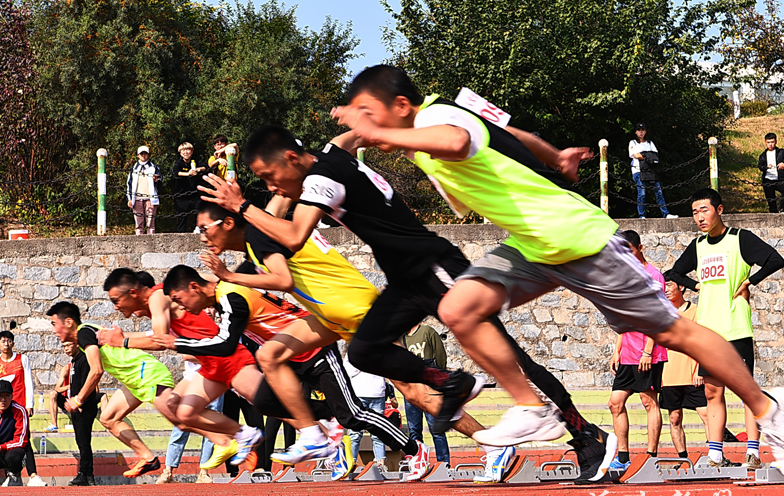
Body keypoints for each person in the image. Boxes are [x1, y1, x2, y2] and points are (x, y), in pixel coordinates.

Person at [331, 64, 784, 469]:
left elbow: (458, 140)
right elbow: (505, 134)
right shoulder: (443, 114)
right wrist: (554, 156)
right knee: (459, 308)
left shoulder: (433, 122)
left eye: (370, 114)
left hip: (578, 239)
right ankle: (532, 408)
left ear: (401, 106)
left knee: (674, 332)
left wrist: (380, 135)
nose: (366, 125)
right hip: (535, 244)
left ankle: (769, 413)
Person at [198, 126, 616, 484]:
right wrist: (378, 129)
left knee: (511, 358)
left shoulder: (319, 182)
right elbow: (353, 135)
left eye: (269, 176)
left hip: (432, 265)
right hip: (403, 280)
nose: (270, 185)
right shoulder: (330, 152)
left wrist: (241, 206)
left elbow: (291, 238)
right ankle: (451, 382)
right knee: (365, 352)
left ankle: (587, 437)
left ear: (291, 158)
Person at [157, 264, 425, 481]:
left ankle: (414, 450)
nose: (182, 308)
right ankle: (324, 427)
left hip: (313, 351)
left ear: (194, 287)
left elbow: (226, 345)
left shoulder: (230, 296)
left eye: (180, 300)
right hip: (287, 359)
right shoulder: (224, 294)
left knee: (352, 414)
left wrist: (176, 343)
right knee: (265, 401)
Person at [99, 267, 263, 473]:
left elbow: (159, 341)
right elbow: (153, 334)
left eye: (116, 300)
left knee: (276, 406)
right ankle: (235, 437)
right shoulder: (157, 304)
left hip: (227, 359)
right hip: (211, 363)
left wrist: (123, 342)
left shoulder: (157, 297)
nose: (115, 307)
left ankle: (311, 428)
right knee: (181, 410)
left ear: (133, 293)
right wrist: (120, 339)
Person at [666, 188, 784, 468]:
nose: (699, 217)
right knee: (711, 393)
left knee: (746, 392)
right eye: (695, 212)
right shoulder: (698, 245)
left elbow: (775, 259)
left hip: (736, 327)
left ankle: (753, 452)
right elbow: (673, 272)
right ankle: (716, 454)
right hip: (708, 331)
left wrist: (749, 282)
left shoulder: (739, 238)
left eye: (704, 210)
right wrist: (697, 285)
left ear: (719, 210)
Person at [46, 301, 177, 478]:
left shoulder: (83, 333)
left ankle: (225, 437)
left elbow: (96, 370)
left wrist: (78, 399)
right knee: (108, 418)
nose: (53, 331)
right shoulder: (89, 331)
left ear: (68, 322)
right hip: (134, 381)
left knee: (184, 419)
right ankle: (148, 458)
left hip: (147, 374)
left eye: (55, 324)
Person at [607, 231, 667, 471]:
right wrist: (617, 351)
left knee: (648, 401)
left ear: (640, 248)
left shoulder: (654, 276)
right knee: (615, 403)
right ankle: (623, 457)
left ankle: (651, 458)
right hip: (628, 353)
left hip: (648, 351)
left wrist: (648, 350)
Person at [0, 330, 47, 486]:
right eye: (3, 341)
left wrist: (29, 404)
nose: (6, 344)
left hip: (18, 407)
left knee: (24, 441)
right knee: (4, 440)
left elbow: (28, 382)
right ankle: (12, 475)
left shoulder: (22, 359)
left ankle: (33, 475)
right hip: (0, 408)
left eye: (9, 341)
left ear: (13, 343)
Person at [660, 270, 708, 459]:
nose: (666, 289)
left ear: (681, 286)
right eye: (663, 285)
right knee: (674, 418)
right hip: (668, 374)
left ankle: (715, 456)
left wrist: (699, 369)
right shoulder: (661, 312)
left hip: (692, 374)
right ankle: (683, 458)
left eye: (670, 285)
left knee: (706, 415)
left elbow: (702, 342)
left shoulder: (696, 311)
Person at [50, 341, 102, 486]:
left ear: (77, 344)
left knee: (83, 441)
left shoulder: (84, 360)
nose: (66, 349)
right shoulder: (74, 362)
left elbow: (87, 383)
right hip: (76, 405)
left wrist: (80, 402)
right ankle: (88, 474)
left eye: (68, 345)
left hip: (84, 406)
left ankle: (84, 473)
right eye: (64, 346)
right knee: (81, 440)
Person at [400, 323, 451, 466]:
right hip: (411, 387)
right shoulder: (401, 338)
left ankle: (443, 463)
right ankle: (418, 462)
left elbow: (441, 356)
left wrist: (438, 380)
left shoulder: (427, 332)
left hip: (429, 385)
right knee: (414, 430)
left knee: (436, 428)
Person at [343, 357, 390, 470]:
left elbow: (386, 368)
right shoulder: (353, 350)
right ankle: (351, 463)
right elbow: (347, 371)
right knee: (355, 432)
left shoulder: (380, 350)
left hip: (377, 393)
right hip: (359, 393)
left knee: (378, 431)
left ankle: (381, 462)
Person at [0, 380, 29, 486]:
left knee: (15, 455)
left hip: (10, 450)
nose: (3, 400)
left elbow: (20, 441)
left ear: (12, 396)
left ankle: (14, 475)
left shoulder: (19, 411)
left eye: (7, 395)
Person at [629, 123, 677, 219]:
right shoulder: (633, 143)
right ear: (636, 132)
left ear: (645, 131)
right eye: (639, 130)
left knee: (658, 192)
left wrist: (644, 156)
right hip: (638, 170)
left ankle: (665, 213)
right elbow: (636, 155)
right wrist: (648, 156)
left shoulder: (650, 143)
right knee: (642, 193)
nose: (641, 132)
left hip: (651, 171)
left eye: (642, 130)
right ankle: (641, 215)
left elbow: (655, 156)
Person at [172, 142, 207, 232]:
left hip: (194, 193)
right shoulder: (178, 162)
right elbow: (175, 173)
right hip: (181, 194)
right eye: (183, 150)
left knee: (200, 209)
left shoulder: (195, 160)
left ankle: (199, 228)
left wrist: (198, 169)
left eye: (188, 150)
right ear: (180, 153)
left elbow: (205, 167)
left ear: (191, 151)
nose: (186, 152)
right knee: (181, 217)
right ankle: (181, 235)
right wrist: (187, 174)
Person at [126, 145, 161, 234]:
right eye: (141, 154)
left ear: (148, 155)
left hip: (150, 198)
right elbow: (129, 184)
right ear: (138, 155)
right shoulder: (134, 168)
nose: (143, 156)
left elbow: (160, 183)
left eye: (145, 154)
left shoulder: (154, 167)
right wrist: (129, 198)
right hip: (137, 198)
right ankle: (139, 242)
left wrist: (157, 181)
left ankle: (151, 242)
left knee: (150, 223)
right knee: (138, 223)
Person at [757, 132, 784, 214]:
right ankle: (773, 215)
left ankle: (782, 209)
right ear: (765, 143)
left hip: (780, 179)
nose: (770, 144)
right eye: (768, 142)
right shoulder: (763, 155)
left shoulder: (781, 152)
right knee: (771, 200)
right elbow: (760, 166)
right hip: (768, 180)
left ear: (775, 142)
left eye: (772, 142)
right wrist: (766, 167)